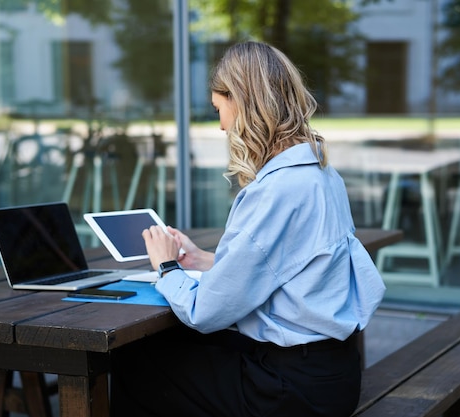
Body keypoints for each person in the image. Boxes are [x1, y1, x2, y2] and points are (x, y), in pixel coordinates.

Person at [110, 41, 385, 417]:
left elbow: (205, 312)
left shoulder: (276, 190)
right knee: (177, 352)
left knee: (136, 363)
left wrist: (167, 267)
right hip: (331, 375)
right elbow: (284, 266)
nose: (221, 125)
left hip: (291, 391)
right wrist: (206, 260)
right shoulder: (322, 174)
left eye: (219, 109)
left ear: (242, 102)